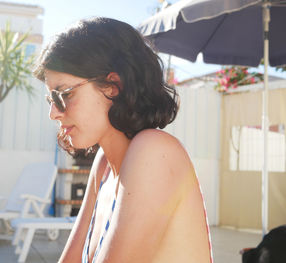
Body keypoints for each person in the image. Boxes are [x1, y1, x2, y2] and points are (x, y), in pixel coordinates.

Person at [34, 17, 213, 263]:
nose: (54, 112)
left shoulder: (155, 151)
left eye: (64, 94)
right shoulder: (104, 165)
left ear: (113, 86)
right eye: (50, 100)